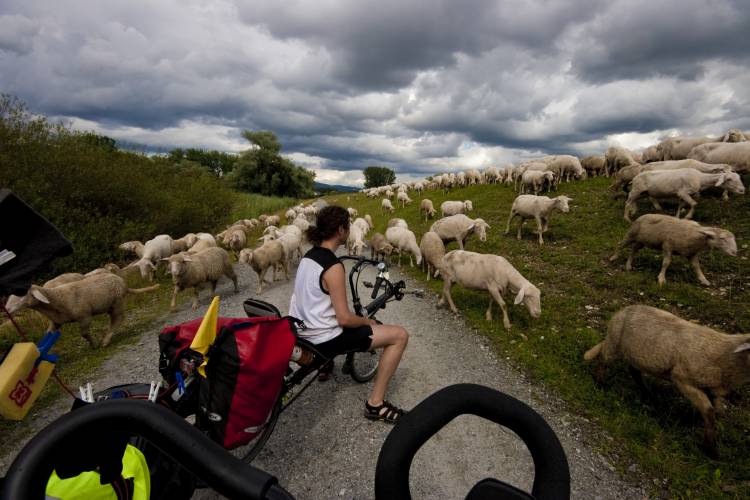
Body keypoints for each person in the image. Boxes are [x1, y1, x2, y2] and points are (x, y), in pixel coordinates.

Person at [289, 205, 409, 423]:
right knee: (400, 335)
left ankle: (325, 364)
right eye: (348, 226)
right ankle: (376, 404)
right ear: (341, 230)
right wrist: (367, 320)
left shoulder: (308, 257)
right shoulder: (333, 266)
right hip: (324, 339)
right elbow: (344, 319)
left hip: (300, 331)